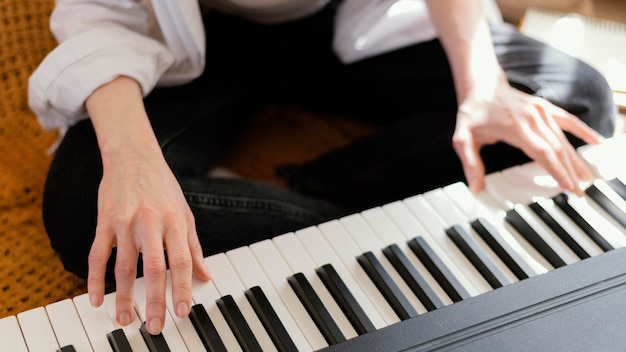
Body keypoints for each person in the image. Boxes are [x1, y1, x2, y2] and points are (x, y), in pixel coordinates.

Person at [30, 0, 616, 335]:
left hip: (348, 22)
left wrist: (481, 83)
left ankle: (307, 192)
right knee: (89, 210)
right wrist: (134, 163)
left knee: (571, 101)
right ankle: (361, 233)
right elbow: (98, 17)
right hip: (201, 48)